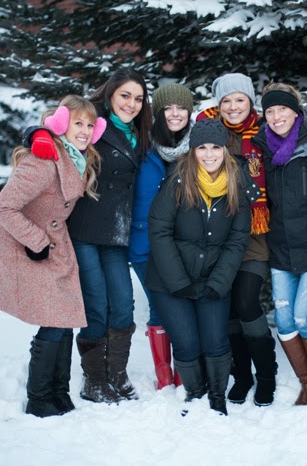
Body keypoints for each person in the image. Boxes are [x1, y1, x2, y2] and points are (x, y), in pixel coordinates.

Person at [27, 68, 152, 404]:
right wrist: (36, 135)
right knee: (96, 303)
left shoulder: (140, 132)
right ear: (110, 94)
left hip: (117, 232)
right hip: (84, 228)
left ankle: (116, 374)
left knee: (123, 304)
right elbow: (55, 126)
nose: (131, 104)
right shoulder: (95, 123)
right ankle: (94, 380)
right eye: (125, 95)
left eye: (138, 98)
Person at [0, 95, 104, 417]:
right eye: (78, 123)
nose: (84, 131)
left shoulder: (76, 159)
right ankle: (39, 398)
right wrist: (36, 241)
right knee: (54, 320)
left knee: (63, 319)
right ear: (62, 124)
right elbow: (3, 207)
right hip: (27, 245)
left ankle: (59, 393)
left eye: (90, 125)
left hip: (54, 245)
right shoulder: (44, 160)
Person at [145, 119, 251, 415]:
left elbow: (238, 239)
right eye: (201, 147)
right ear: (192, 151)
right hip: (170, 281)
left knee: (215, 341)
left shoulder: (236, 185)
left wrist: (219, 282)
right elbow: (159, 231)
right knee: (187, 342)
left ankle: (216, 396)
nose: (208, 154)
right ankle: (195, 393)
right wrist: (178, 282)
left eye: (215, 147)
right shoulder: (176, 182)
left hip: (212, 279)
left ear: (225, 150)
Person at [197, 73, 278, 407]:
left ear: (250, 102)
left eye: (239, 100)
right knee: (228, 307)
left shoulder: (265, 132)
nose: (233, 107)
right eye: (226, 100)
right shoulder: (207, 132)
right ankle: (242, 375)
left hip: (255, 235)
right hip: (219, 234)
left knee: (246, 302)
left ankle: (267, 375)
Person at [251, 83, 307, 407]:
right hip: (281, 250)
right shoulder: (262, 149)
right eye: (270, 111)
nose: (276, 116)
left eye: (282, 109)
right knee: (284, 322)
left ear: (296, 111)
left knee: (304, 319)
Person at [130, 83, 193, 390]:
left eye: (181, 108)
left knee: (178, 303)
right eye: (168, 108)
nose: (175, 114)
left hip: (182, 242)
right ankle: (165, 374)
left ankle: (182, 369)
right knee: (159, 303)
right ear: (157, 112)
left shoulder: (198, 147)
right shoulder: (141, 143)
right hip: (143, 241)